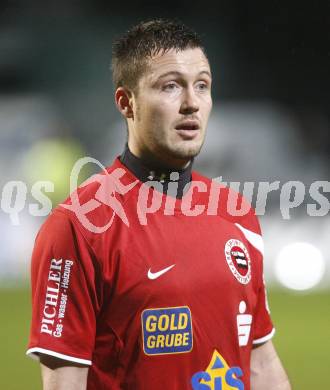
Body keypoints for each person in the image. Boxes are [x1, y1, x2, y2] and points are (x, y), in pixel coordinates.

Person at [26, 19, 291, 389]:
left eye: (202, 85)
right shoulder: (79, 227)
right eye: (170, 86)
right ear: (126, 102)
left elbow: (261, 361)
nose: (191, 103)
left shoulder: (237, 213)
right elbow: (64, 381)